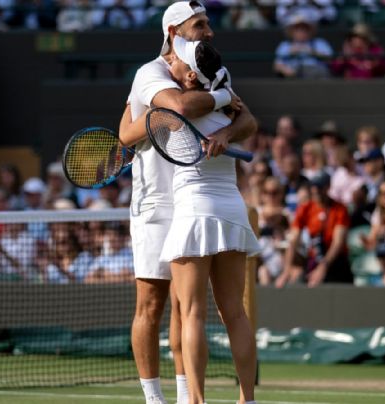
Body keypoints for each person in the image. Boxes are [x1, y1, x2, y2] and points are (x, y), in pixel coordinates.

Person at [116, 2, 257, 403]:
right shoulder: (150, 74)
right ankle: (153, 398)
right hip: (156, 201)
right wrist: (220, 99)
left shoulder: (213, 72)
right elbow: (167, 112)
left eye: (209, 23)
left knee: (187, 307)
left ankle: (185, 397)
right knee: (153, 302)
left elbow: (248, 120)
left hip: (194, 201)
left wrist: (226, 131)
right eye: (200, 24)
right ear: (174, 32)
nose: (209, 30)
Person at [151, 36, 259, 404]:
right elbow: (249, 119)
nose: (169, 64)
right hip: (231, 208)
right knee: (235, 313)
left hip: (195, 212)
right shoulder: (228, 105)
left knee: (192, 312)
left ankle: (196, 400)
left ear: (192, 76)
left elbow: (135, 130)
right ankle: (247, 398)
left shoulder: (175, 105)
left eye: (176, 62)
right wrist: (227, 119)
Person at [277, 173, 352, 288]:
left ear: (327, 187)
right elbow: (293, 240)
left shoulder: (339, 210)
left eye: (320, 187)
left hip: (335, 260)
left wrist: (323, 267)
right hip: (315, 257)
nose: (316, 190)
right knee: (302, 282)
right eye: (314, 187)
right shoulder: (305, 208)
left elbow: (338, 243)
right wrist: (286, 270)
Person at [273, 14, 332, 79]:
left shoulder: (320, 43)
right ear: (291, 31)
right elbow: (277, 66)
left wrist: (312, 52)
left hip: (316, 74)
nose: (301, 32)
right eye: (298, 29)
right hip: (294, 75)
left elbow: (330, 59)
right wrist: (286, 68)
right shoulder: (285, 45)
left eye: (304, 29)